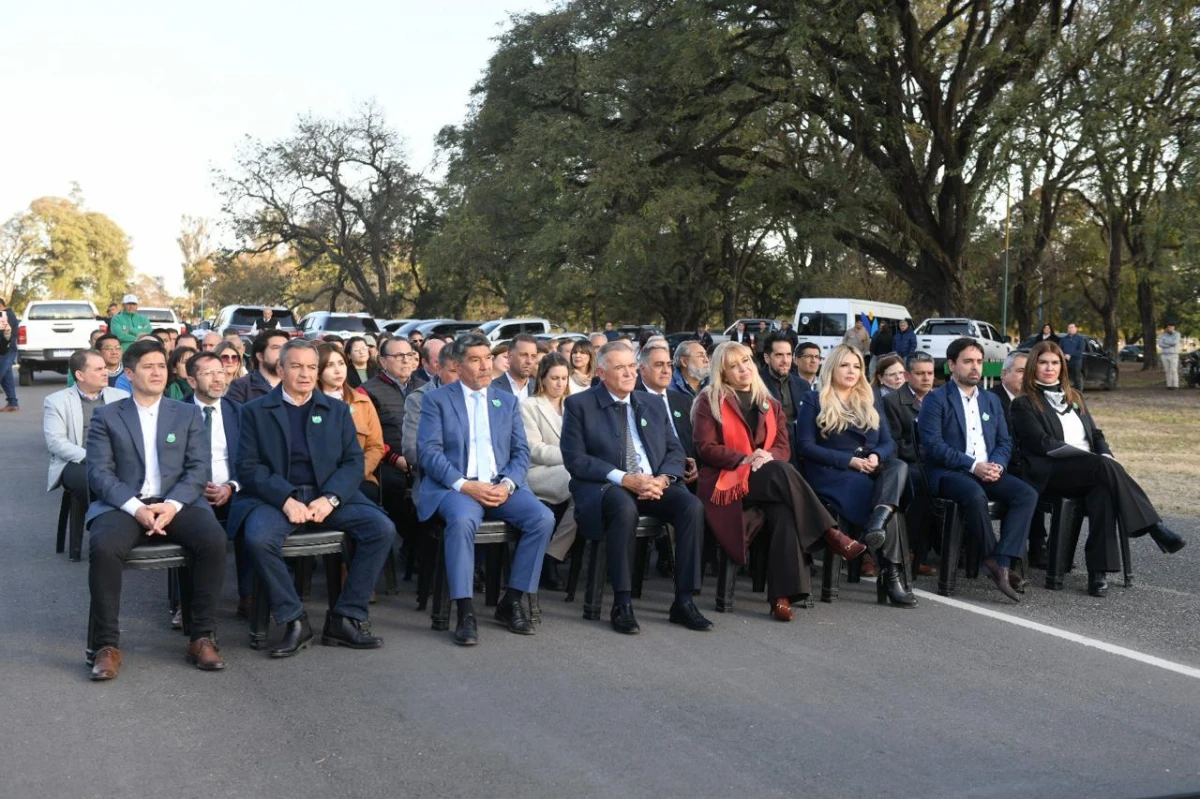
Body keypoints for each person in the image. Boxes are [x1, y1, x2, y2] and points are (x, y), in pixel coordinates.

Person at [228, 339, 395, 657]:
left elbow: (352, 462)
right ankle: (294, 620)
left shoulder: (336, 409)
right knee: (258, 538)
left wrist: (331, 498)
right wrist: (285, 499)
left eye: (311, 367)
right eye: (296, 366)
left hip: (326, 495)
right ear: (280, 369)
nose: (305, 374)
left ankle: (346, 617)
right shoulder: (255, 411)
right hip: (275, 497)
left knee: (381, 528)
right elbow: (248, 467)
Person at [83, 339, 228, 680]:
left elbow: (197, 470)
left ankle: (202, 636)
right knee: (103, 547)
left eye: (162, 366)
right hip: (123, 504)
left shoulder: (187, 413)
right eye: (148, 366)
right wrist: (136, 508)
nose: (157, 372)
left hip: (175, 502)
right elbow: (99, 473)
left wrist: (173, 506)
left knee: (213, 541)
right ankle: (105, 646)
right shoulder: (106, 416)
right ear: (129, 373)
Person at [694, 343, 867, 620]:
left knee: (785, 511)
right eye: (735, 365)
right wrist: (746, 459)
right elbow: (706, 447)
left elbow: (783, 448)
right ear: (722, 371)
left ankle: (781, 597)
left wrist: (766, 456)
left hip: (767, 479)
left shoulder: (769, 402)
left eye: (747, 361)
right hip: (725, 482)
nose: (744, 368)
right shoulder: (710, 400)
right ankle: (830, 533)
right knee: (781, 472)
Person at [561, 341, 714, 635]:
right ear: (601, 373)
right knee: (623, 507)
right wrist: (623, 477)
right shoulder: (580, 405)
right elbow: (575, 459)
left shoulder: (652, 403)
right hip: (607, 487)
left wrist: (664, 479)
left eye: (632, 366)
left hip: (652, 483)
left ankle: (684, 601)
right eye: (621, 368)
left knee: (691, 507)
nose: (630, 373)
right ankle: (622, 602)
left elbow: (674, 450)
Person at [1012, 341, 1186, 596]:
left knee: (1103, 492)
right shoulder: (1024, 403)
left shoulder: (1075, 397)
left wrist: (1104, 453)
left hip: (1091, 470)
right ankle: (1153, 527)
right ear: (1033, 366)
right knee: (1102, 470)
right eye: (1043, 362)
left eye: (1055, 362)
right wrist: (1093, 458)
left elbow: (1095, 433)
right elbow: (1041, 443)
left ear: (1063, 366)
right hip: (1052, 471)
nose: (1049, 368)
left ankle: (1098, 573)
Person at [415, 333, 554, 646]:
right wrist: (466, 485)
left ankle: (512, 600)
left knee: (542, 519)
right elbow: (429, 453)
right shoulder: (437, 400)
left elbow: (521, 453)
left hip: (501, 486)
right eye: (475, 360)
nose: (483, 366)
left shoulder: (505, 401)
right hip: (457, 488)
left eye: (487, 359)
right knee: (463, 521)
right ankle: (465, 611)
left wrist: (507, 484)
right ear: (457, 365)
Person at [918, 337, 1038, 602]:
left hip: (988, 470)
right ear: (951, 365)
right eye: (968, 361)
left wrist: (996, 465)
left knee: (1027, 494)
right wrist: (973, 466)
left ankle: (1000, 561)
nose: (975, 367)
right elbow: (933, 446)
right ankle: (995, 561)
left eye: (979, 362)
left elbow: (1005, 441)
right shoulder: (936, 399)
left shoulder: (990, 400)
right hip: (950, 473)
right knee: (974, 494)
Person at [796, 344, 916, 607]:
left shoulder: (869, 399)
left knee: (899, 467)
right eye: (845, 365)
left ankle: (877, 524)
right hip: (834, 472)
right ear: (832, 368)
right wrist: (849, 461)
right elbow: (805, 446)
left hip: (871, 468)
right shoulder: (814, 399)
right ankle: (891, 576)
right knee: (889, 505)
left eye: (857, 366)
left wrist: (876, 457)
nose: (852, 371)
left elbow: (888, 443)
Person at [44, 350, 130, 550]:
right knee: (92, 481)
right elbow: (56, 443)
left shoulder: (121, 396)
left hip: (115, 460)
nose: (105, 373)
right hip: (76, 462)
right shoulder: (56, 401)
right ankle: (105, 533)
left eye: (105, 368)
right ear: (80, 375)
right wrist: (92, 457)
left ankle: (122, 531)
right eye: (98, 369)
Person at [185, 351, 247, 612]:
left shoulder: (240, 412)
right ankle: (186, 603)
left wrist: (231, 486)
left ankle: (249, 596)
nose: (217, 379)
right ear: (191, 381)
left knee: (252, 520)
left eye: (220, 372)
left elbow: (252, 460)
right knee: (190, 528)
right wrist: (195, 489)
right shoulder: (177, 412)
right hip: (190, 493)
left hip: (233, 490)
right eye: (208, 373)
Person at [520, 353, 577, 589]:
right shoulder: (529, 406)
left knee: (591, 490)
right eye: (555, 378)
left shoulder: (573, 405)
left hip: (569, 471)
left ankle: (552, 555)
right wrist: (573, 458)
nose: (560, 383)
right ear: (542, 378)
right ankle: (551, 558)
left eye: (564, 378)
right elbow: (533, 449)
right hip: (538, 472)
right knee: (583, 481)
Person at [881, 351, 937, 576]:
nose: (926, 378)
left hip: (936, 462)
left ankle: (952, 549)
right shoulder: (891, 402)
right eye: (920, 373)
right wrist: (929, 451)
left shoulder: (939, 397)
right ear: (907, 375)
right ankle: (912, 552)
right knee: (921, 485)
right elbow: (893, 444)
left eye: (930, 373)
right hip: (907, 464)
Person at [363, 335, 425, 521]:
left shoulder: (426, 389)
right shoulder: (367, 391)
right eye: (398, 356)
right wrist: (393, 457)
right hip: (387, 459)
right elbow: (367, 435)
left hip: (423, 457)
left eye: (409, 354)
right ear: (383, 361)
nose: (405, 360)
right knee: (392, 483)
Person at [316, 343, 385, 503]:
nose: (338, 370)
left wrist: (357, 474)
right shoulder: (309, 403)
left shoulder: (362, 401)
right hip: (319, 479)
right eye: (329, 365)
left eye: (341, 363)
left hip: (359, 478)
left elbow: (375, 446)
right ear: (317, 371)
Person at [227, 329, 289, 404]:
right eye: (275, 348)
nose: (282, 352)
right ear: (260, 356)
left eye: (286, 348)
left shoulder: (296, 385)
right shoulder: (240, 387)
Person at [759, 332, 808, 425]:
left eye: (789, 354)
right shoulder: (755, 385)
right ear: (767, 358)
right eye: (779, 355)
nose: (785, 360)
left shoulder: (803, 385)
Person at [493, 333, 537, 399]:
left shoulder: (539, 389)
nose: (529, 361)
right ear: (510, 356)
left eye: (533, 356)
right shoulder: (492, 388)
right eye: (524, 355)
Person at [990, 351, 1027, 427]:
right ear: (1004, 374)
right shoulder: (988, 399)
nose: (1026, 377)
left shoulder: (1035, 401)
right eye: (1021, 371)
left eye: (1029, 372)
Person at [0, 297, 19, 412]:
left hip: (6, 351)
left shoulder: (6, 315)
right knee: (6, 377)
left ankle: (12, 402)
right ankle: (12, 403)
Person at [1058, 323, 1085, 391]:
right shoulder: (1063, 339)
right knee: (1063, 377)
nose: (1070, 329)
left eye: (1072, 327)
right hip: (1065, 361)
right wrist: (1064, 355)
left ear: (1076, 329)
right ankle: (1064, 392)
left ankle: (1078, 393)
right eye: (1069, 328)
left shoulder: (1080, 339)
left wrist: (1070, 355)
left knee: (1076, 378)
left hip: (1076, 361)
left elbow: (1080, 350)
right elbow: (1059, 348)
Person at [1158, 321, 1181, 389]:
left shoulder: (1177, 334)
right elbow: (1160, 344)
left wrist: (1165, 343)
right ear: (1166, 328)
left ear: (1174, 327)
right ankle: (1169, 385)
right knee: (1167, 370)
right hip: (1164, 354)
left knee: (1173, 370)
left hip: (1173, 354)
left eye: (1171, 327)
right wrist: (1168, 344)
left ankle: (1175, 385)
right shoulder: (1162, 335)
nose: (1170, 328)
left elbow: (1174, 343)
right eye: (1168, 327)